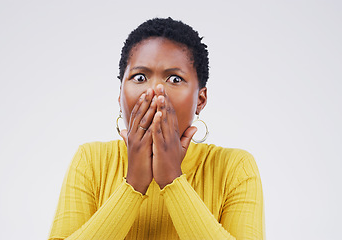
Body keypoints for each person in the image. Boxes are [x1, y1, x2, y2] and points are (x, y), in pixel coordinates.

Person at [48, 17, 265, 240]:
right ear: (120, 94)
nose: (154, 93)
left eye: (174, 79)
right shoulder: (90, 160)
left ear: (200, 100)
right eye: (140, 77)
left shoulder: (236, 168)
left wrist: (172, 179)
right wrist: (133, 184)